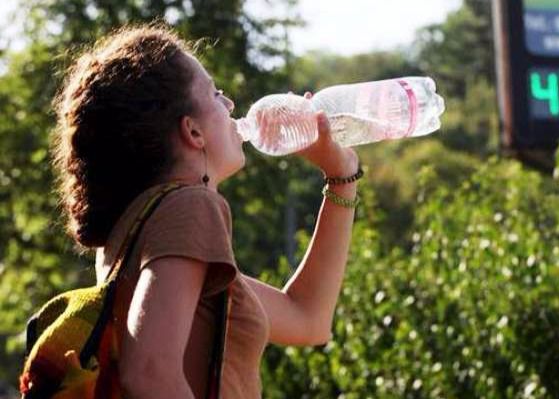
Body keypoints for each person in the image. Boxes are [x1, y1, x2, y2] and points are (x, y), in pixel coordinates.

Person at [50, 23, 360, 399]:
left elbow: (308, 319)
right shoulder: (191, 206)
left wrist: (341, 175)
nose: (230, 106)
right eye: (216, 95)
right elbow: (149, 374)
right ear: (193, 132)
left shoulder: (139, 234)